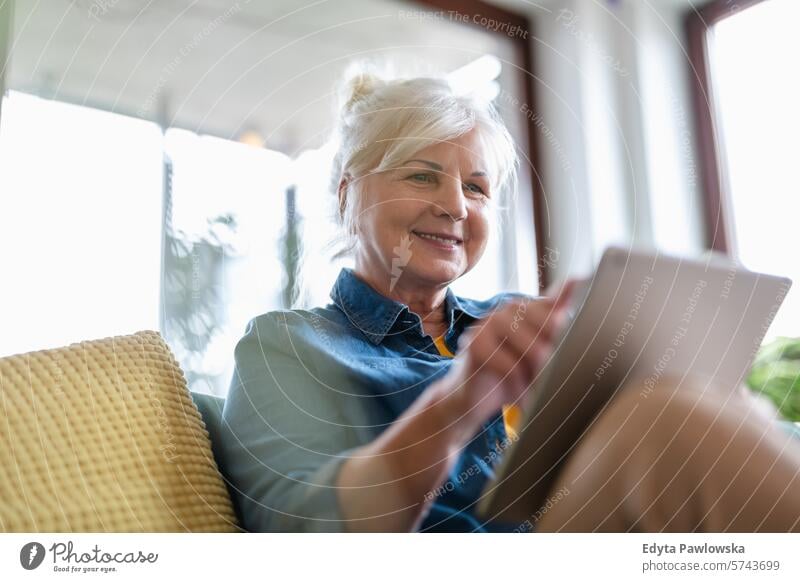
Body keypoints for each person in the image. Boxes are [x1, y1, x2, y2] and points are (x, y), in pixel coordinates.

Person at [219, 71, 800, 533]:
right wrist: (458, 403)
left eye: (476, 187)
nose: (456, 206)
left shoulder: (522, 317)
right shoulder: (287, 346)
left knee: (693, 407)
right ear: (347, 194)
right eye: (422, 176)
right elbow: (303, 535)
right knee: (664, 420)